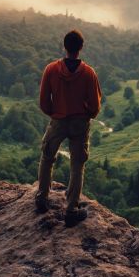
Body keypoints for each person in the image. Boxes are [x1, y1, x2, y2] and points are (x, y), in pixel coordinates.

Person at [36, 29, 102, 226]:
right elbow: (95, 105)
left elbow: (43, 101)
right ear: (81, 48)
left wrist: (55, 114)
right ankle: (72, 209)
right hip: (80, 123)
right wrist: (86, 115)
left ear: (64, 46)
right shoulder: (88, 73)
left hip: (58, 120)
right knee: (77, 164)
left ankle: (41, 199)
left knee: (47, 157)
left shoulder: (51, 70)